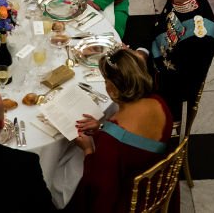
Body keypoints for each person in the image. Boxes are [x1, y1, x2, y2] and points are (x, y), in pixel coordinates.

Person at [70, 49, 174, 213]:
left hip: (132, 199)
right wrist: (102, 128)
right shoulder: (158, 102)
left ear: (112, 88)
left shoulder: (109, 141)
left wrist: (88, 149)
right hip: (157, 182)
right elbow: (133, 142)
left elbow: (99, 188)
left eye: (105, 81)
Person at [139, 0, 214, 117]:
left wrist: (140, 81)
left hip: (168, 88)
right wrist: (142, 52)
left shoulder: (201, 38)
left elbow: (182, 83)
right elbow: (158, 29)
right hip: (155, 66)